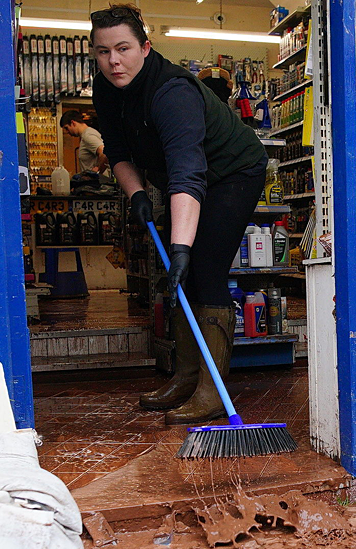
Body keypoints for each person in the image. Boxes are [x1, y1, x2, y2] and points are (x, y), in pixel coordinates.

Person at [90, 4, 267, 425]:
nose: (113, 61)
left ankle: (211, 390)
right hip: (179, 179)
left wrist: (183, 244)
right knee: (176, 274)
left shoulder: (173, 93)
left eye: (123, 48)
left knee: (203, 268)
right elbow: (116, 152)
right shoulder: (106, 87)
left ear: (145, 47)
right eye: (102, 51)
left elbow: (190, 171)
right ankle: (185, 377)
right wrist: (136, 193)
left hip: (232, 172)